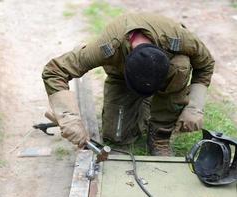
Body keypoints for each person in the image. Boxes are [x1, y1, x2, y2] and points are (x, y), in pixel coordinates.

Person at [42, 13, 215, 156]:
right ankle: (141, 105)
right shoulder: (106, 48)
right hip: (120, 75)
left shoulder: (178, 38)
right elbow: (54, 70)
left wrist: (194, 106)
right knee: (117, 136)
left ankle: (160, 134)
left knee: (180, 66)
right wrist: (68, 118)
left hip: (166, 73)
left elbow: (206, 64)